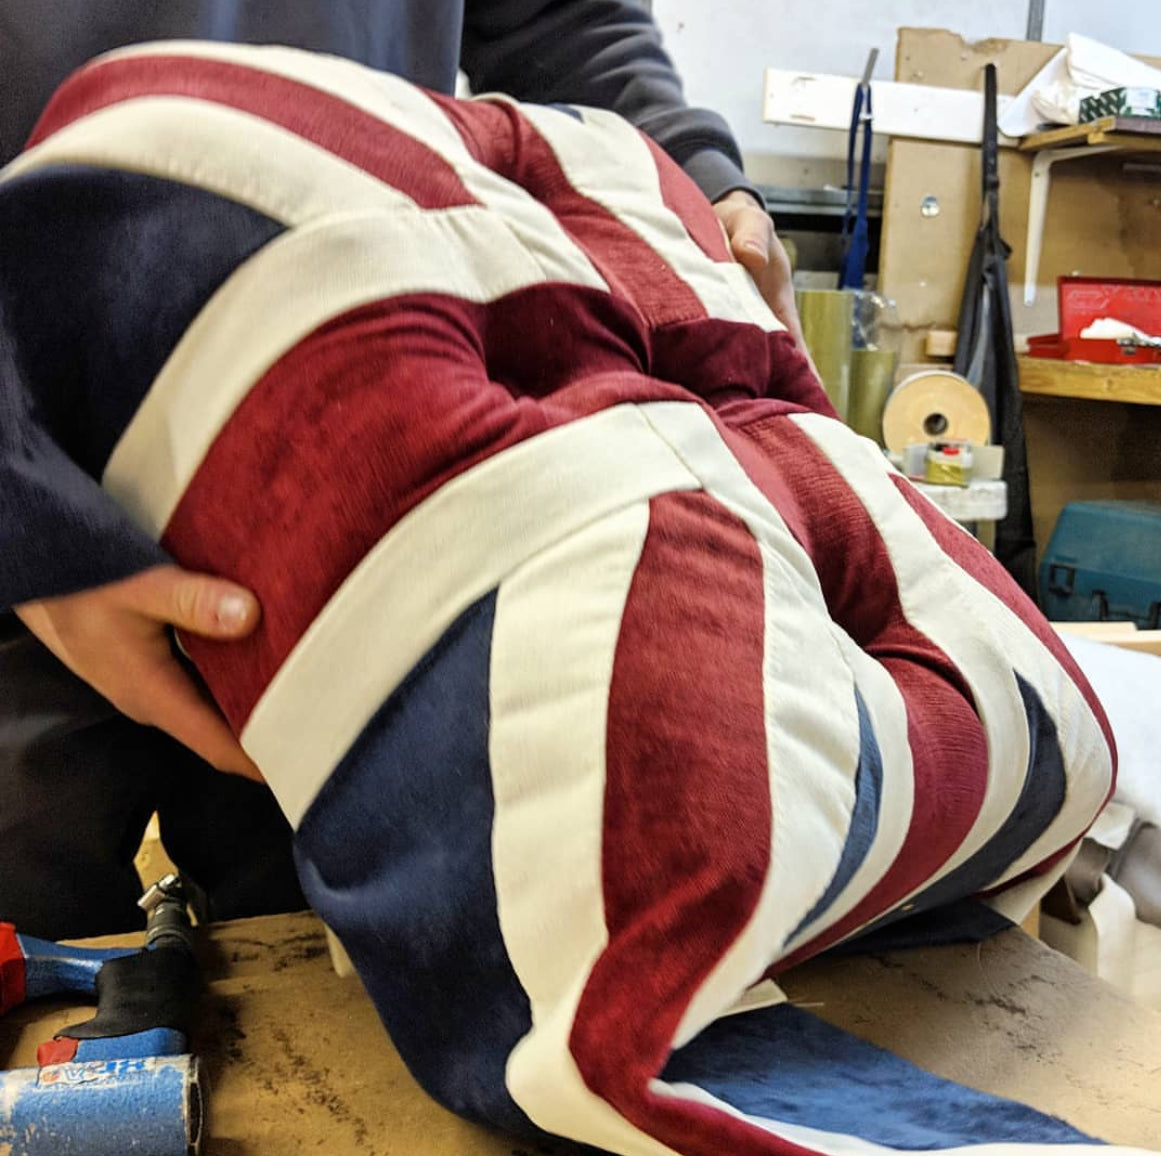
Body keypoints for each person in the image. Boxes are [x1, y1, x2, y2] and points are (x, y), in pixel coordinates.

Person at [0, 0, 805, 939]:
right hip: (32, 496)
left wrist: (694, 185)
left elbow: (563, 18)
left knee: (364, 1004)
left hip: (362, 521)